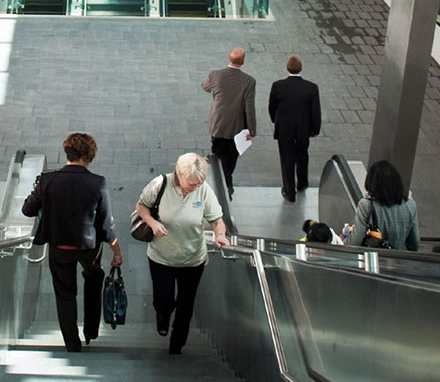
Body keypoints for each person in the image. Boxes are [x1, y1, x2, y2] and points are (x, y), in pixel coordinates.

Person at [22, 132, 123, 352]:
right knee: (94, 281)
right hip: (89, 247)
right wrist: (116, 252)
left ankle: (72, 343)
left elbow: (27, 209)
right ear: (90, 156)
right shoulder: (98, 183)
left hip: (59, 247)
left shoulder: (48, 179)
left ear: (67, 152)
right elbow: (106, 224)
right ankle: (91, 330)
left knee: (65, 294)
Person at [134, 153, 228, 356]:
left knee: (186, 304)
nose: (194, 187)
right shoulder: (160, 184)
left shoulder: (203, 190)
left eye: (198, 184)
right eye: (191, 183)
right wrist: (153, 222)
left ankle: (177, 344)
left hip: (193, 260)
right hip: (161, 257)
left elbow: (217, 220)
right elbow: (141, 206)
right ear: (179, 174)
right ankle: (163, 314)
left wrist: (220, 234)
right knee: (163, 299)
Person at [202, 47, 257, 196]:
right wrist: (252, 130)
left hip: (218, 125)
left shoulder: (215, 75)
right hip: (236, 128)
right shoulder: (249, 81)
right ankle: (227, 181)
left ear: (229, 58)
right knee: (231, 157)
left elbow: (205, 87)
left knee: (217, 153)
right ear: (243, 61)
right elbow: (249, 107)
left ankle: (218, 183)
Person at [269, 56, 320, 203]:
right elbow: (315, 111)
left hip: (285, 130)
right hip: (303, 131)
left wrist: (276, 121)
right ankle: (302, 182)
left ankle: (289, 191)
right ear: (301, 69)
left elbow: (272, 107)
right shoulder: (311, 88)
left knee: (287, 160)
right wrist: (315, 129)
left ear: (287, 68)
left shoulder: (278, 86)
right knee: (303, 156)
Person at [349, 160, 420, 251]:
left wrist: (342, 242)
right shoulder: (410, 205)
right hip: (400, 259)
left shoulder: (366, 205)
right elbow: (414, 244)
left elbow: (355, 241)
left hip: (374, 259)